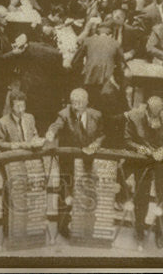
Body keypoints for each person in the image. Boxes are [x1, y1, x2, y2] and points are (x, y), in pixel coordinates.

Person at [44, 88, 106, 238]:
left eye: (79, 102)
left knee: (86, 189)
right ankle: (63, 225)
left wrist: (95, 145)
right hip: (68, 160)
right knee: (66, 190)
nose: (76, 106)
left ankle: (84, 223)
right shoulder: (64, 114)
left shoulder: (96, 115)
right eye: (73, 102)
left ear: (87, 102)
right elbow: (56, 125)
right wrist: (51, 133)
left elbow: (102, 134)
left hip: (88, 159)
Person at [124, 97, 163, 248]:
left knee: (162, 199)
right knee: (140, 198)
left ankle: (160, 232)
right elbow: (127, 139)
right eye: (151, 113)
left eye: (158, 113)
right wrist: (140, 148)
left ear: (162, 110)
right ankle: (139, 230)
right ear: (146, 109)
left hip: (162, 163)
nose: (154, 117)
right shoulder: (134, 117)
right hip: (143, 162)